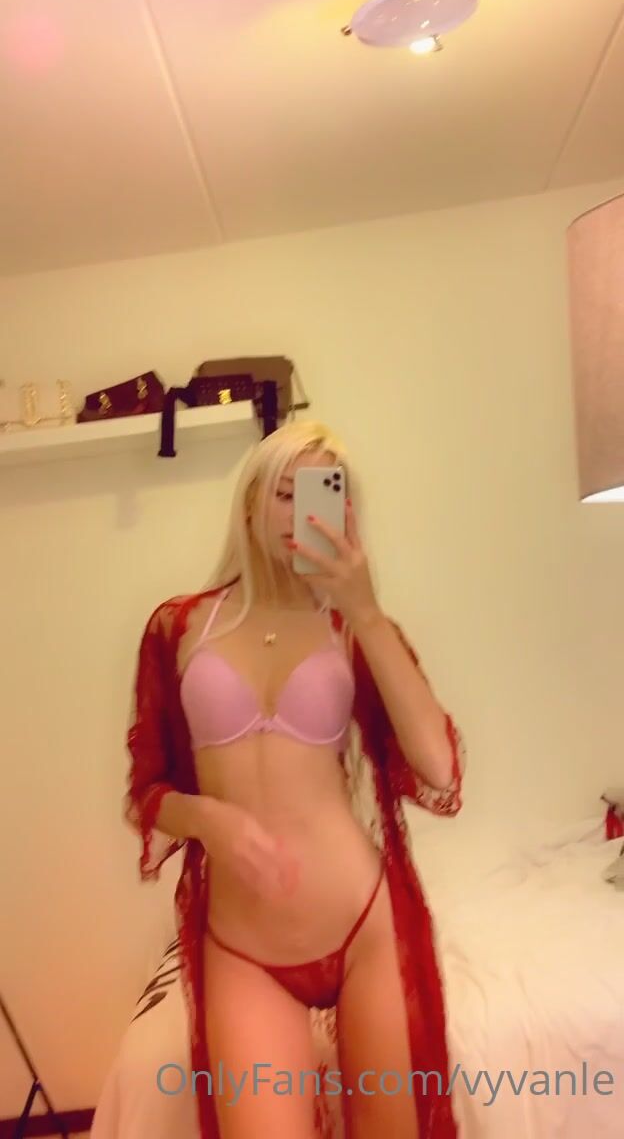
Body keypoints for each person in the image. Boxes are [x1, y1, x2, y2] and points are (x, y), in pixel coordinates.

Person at [124, 419, 466, 1139]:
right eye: (285, 493)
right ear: (251, 500)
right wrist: (209, 819)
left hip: (364, 925)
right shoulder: (178, 628)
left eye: (320, 496)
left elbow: (438, 769)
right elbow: (145, 794)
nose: (300, 515)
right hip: (243, 947)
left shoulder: (352, 630)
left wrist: (365, 609)